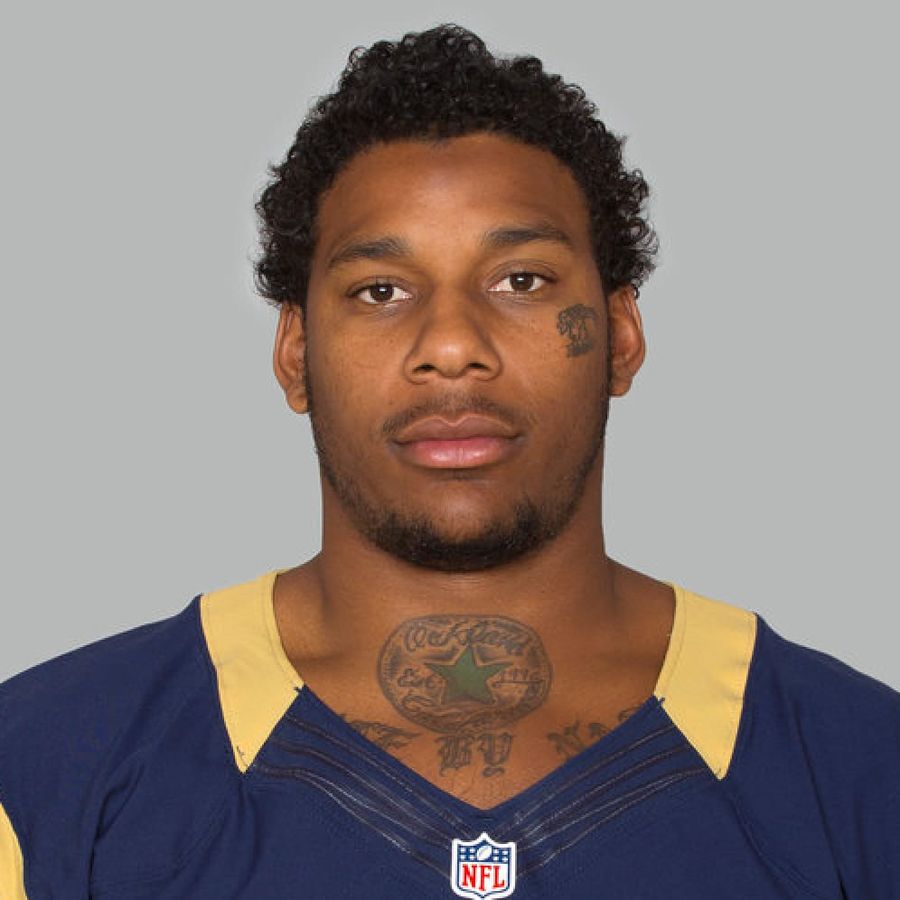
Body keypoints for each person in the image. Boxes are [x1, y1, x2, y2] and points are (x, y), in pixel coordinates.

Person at [1, 22, 898, 900]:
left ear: (621, 335)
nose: (452, 345)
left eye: (521, 281)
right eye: (380, 291)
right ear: (295, 354)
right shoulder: (45, 775)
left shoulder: (861, 769)